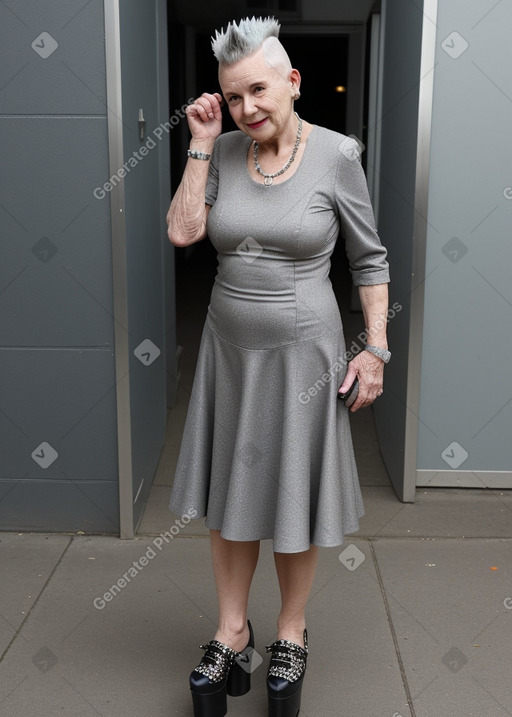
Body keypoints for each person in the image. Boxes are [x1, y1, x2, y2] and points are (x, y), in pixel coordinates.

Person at [167, 16, 390, 717]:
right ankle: (233, 629)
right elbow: (182, 232)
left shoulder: (336, 156)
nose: (247, 108)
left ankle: (290, 630)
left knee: (294, 491)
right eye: (234, 98)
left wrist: (375, 347)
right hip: (229, 352)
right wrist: (201, 145)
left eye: (258, 90)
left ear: (292, 82)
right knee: (231, 494)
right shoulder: (222, 149)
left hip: (307, 356)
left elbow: (370, 259)